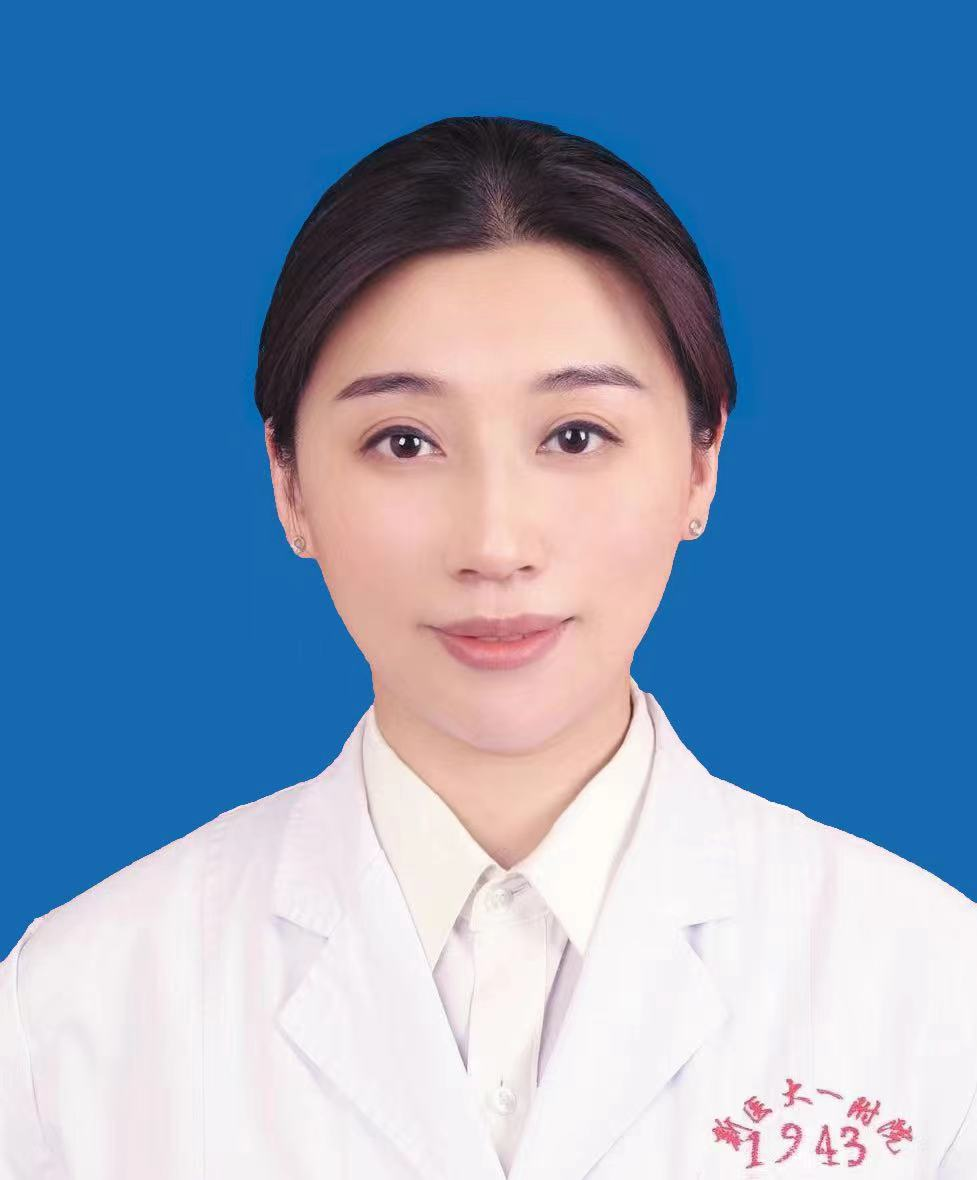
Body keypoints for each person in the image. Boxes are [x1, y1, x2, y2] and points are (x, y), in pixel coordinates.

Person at [1, 115, 974, 1180]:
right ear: (289, 484)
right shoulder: (75, 1015)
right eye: (403, 441)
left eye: (575, 435)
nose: (495, 544)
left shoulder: (929, 988)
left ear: (701, 463)